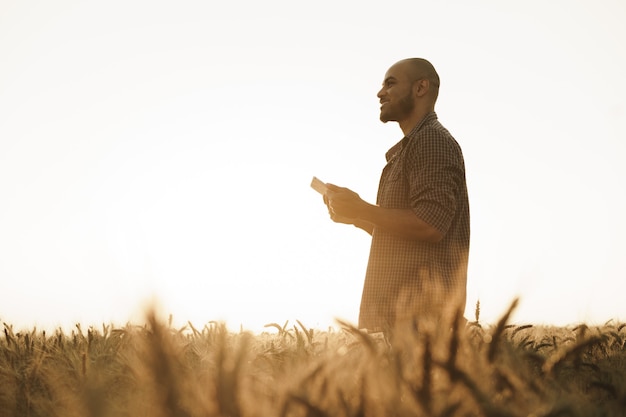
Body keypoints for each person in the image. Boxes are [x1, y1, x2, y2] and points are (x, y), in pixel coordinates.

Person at [323, 58, 470, 335]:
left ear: (420, 88)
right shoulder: (410, 148)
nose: (380, 93)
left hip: (419, 322)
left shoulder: (432, 141)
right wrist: (355, 216)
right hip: (395, 322)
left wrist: (363, 208)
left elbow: (430, 225)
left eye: (390, 84)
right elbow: (403, 236)